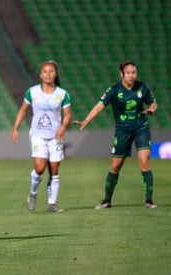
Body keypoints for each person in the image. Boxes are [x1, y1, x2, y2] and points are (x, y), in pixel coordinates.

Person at [73, 60, 158, 209]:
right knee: (115, 166)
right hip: (122, 130)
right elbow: (99, 106)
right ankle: (107, 200)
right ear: (121, 74)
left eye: (134, 72)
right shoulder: (114, 90)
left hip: (141, 127)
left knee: (144, 160)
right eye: (128, 73)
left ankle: (149, 200)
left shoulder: (142, 87)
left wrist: (151, 109)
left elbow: (153, 103)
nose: (132, 75)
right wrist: (86, 120)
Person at [12, 60, 71, 213]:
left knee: (54, 169)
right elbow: (23, 110)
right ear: (40, 74)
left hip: (56, 136)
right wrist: (16, 128)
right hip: (38, 135)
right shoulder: (32, 92)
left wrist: (63, 128)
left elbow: (67, 115)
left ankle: (52, 204)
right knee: (39, 168)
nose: (48, 74)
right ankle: (33, 193)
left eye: (51, 71)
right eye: (45, 71)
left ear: (55, 74)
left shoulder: (62, 94)